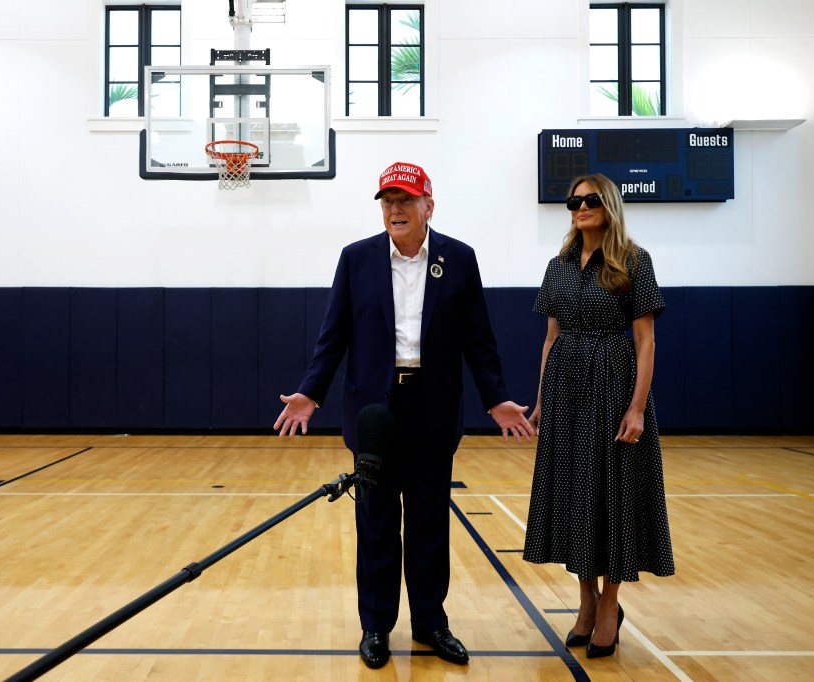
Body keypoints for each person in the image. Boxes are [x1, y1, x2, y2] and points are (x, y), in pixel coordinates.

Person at [274, 161, 535, 669]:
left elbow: (477, 340)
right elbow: (334, 336)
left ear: (427, 206)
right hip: (374, 412)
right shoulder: (357, 259)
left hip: (433, 410)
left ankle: (431, 624)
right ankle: (375, 625)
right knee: (374, 523)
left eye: (405, 200)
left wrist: (495, 396)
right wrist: (311, 392)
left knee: (429, 523)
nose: (395, 209)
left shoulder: (459, 259)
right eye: (388, 201)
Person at [522, 174, 675, 658]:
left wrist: (636, 407)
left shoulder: (634, 260)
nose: (580, 207)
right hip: (566, 387)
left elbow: (646, 341)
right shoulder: (558, 264)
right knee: (574, 494)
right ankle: (585, 600)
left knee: (612, 493)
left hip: (613, 384)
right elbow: (550, 337)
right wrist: (542, 398)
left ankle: (610, 604)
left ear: (608, 205)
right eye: (574, 201)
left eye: (590, 200)